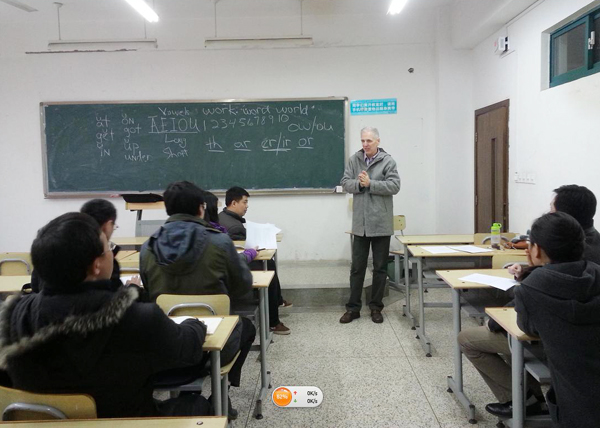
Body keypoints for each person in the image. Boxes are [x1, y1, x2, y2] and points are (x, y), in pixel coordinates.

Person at [0, 213, 211, 418]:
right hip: (126, 422)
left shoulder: (13, 317)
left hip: (41, 424)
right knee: (199, 406)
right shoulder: (137, 318)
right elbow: (189, 351)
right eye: (109, 247)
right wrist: (195, 324)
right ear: (96, 265)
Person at [459, 184, 600, 418]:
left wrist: (496, 319)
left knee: (475, 338)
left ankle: (525, 401)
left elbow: (527, 321)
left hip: (558, 354)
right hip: (587, 358)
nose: (549, 212)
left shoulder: (534, 288)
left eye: (552, 209)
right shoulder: (589, 259)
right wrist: (529, 271)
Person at [140, 181, 256, 418]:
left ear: (168, 209)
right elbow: (243, 287)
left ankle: (188, 396)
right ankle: (221, 393)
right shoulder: (220, 242)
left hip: (167, 344)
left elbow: (149, 292)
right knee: (247, 327)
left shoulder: (148, 247)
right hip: (215, 346)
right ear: (201, 208)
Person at [515, 211, 600, 427]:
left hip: (575, 401)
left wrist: (532, 272)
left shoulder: (530, 289)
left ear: (536, 249)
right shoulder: (596, 273)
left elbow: (528, 327)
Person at [339, 127, 401, 324]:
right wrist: (358, 184)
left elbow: (395, 186)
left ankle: (376, 307)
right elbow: (345, 182)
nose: (365, 144)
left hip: (381, 223)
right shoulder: (354, 160)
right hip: (361, 225)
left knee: (380, 268)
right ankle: (353, 308)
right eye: (363, 141)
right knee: (357, 268)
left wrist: (370, 183)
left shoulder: (388, 161)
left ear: (377, 141)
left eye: (369, 141)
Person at [28, 198, 142, 294]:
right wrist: (133, 289)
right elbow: (113, 300)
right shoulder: (103, 261)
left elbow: (35, 286)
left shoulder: (53, 250)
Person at [219, 186, 292, 335]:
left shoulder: (223, 216)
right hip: (234, 266)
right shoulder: (234, 227)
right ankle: (273, 321)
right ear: (234, 203)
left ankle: (277, 300)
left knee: (268, 263)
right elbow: (240, 248)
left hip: (231, 262)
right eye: (244, 202)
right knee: (268, 266)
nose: (247, 206)